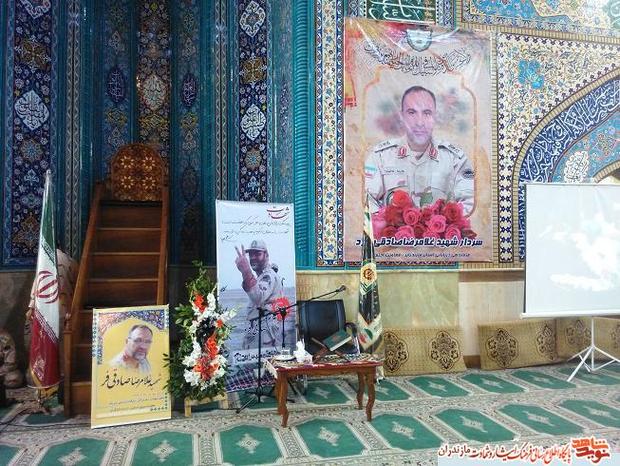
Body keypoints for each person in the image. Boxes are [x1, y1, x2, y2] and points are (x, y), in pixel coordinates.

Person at [365, 85, 475, 215]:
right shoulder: (380, 156)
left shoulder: (455, 159)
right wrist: (387, 222)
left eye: (427, 113)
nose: (420, 123)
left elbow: (470, 202)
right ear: (402, 116)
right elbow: (366, 198)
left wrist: (443, 222)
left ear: (435, 117)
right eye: (412, 112)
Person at [235, 239, 283, 349]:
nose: (253, 257)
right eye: (251, 254)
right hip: (257, 329)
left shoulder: (269, 276)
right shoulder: (261, 277)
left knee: (262, 359)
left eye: (258, 254)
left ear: (266, 255)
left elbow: (258, 297)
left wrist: (246, 271)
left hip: (265, 330)